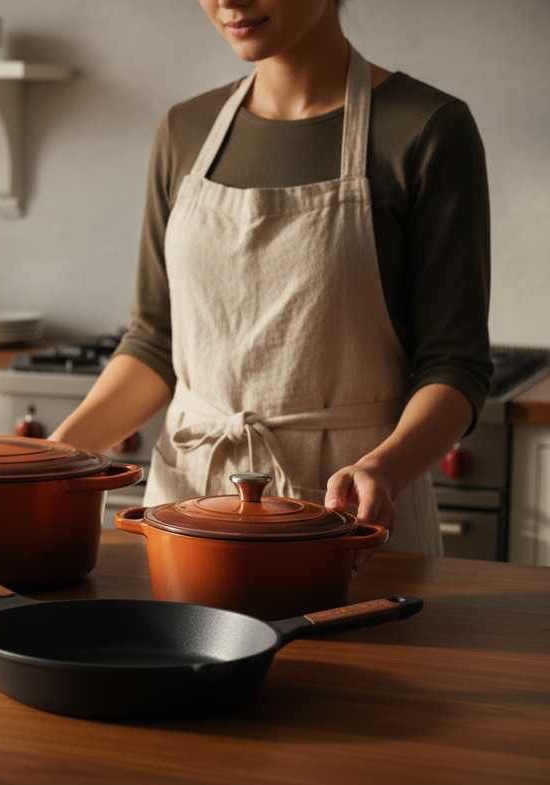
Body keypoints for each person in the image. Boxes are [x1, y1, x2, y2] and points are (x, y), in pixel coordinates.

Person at [50, 0, 492, 572]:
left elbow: (455, 363)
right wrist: (53, 459)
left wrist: (384, 468)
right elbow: (157, 342)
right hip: (187, 510)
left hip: (349, 517)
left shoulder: (426, 129)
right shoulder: (186, 130)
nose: (229, 1)